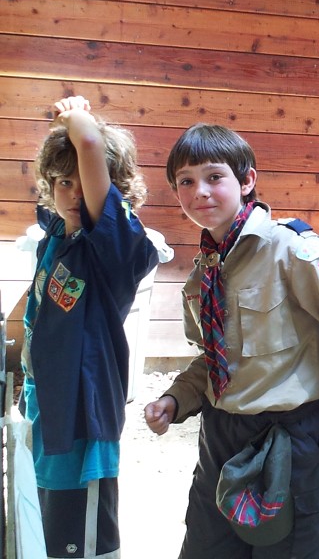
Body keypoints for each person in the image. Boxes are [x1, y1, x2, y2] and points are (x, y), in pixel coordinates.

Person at [143, 123, 319, 559]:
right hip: (220, 438)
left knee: (289, 549)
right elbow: (213, 357)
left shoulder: (290, 249)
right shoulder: (204, 272)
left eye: (214, 176)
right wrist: (176, 399)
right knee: (207, 547)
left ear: (247, 181)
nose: (200, 191)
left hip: (288, 439)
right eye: (185, 181)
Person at [21, 95, 159, 558]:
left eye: (87, 181)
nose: (74, 193)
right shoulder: (56, 235)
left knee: (81, 538)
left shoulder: (116, 250)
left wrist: (75, 117)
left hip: (82, 417)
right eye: (64, 182)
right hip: (47, 407)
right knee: (45, 518)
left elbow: (90, 144)